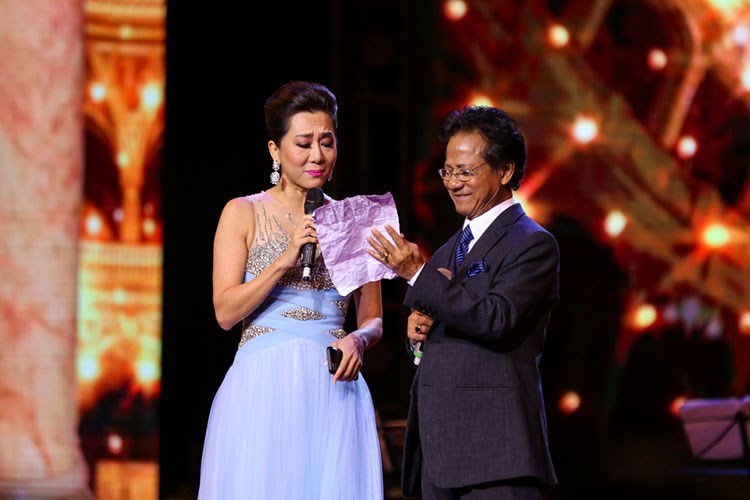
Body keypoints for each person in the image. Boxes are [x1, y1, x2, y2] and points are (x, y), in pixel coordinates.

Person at [198, 81, 384, 499]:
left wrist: (358, 339)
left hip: (334, 387)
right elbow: (225, 312)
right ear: (275, 150)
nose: (317, 155)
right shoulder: (242, 212)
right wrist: (285, 259)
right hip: (263, 386)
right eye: (303, 144)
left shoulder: (355, 222)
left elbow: (373, 318)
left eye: (327, 142)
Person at [368, 105, 559, 499]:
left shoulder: (532, 243)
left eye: (466, 172)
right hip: (438, 456)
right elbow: (442, 337)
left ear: (505, 170)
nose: (453, 183)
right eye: (448, 172)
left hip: (496, 455)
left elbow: (496, 319)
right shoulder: (446, 251)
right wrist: (417, 338)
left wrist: (417, 275)